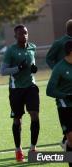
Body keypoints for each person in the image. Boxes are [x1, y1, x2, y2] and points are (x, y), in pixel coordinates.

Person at [0, 24, 40, 162]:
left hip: (31, 86)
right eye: (21, 33)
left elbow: (32, 63)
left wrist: (34, 68)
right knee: (18, 119)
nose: (24, 35)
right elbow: (3, 71)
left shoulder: (32, 47)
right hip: (16, 89)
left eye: (26, 33)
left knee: (34, 114)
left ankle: (33, 148)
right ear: (15, 36)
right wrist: (18, 68)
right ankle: (18, 150)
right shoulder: (10, 51)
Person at [46, 19, 72, 148]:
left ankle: (66, 141)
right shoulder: (59, 43)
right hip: (63, 87)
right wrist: (58, 71)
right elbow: (48, 58)